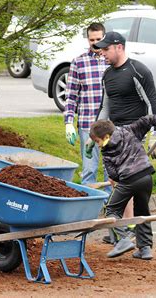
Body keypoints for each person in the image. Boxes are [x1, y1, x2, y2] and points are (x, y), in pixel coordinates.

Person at [90, 31, 156, 245]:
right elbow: (105, 107)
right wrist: (93, 134)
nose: (102, 53)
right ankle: (122, 228)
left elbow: (152, 104)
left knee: (130, 182)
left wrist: (154, 135)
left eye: (105, 49)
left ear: (118, 47)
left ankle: (129, 228)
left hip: (134, 135)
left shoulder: (137, 71)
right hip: (114, 137)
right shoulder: (107, 75)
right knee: (116, 182)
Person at [89, 115, 156, 259]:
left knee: (111, 210)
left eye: (97, 141)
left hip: (128, 180)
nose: (97, 145)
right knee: (142, 211)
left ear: (106, 136)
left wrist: (115, 179)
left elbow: (113, 174)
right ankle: (145, 248)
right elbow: (147, 120)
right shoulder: (129, 130)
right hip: (146, 176)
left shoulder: (106, 151)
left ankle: (123, 240)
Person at [64, 22, 109, 187]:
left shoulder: (111, 61)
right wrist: (68, 122)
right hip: (87, 125)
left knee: (110, 169)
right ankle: (89, 203)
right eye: (92, 40)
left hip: (110, 125)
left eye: (99, 38)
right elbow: (70, 96)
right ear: (87, 40)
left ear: (104, 37)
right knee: (89, 168)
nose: (95, 43)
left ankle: (110, 204)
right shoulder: (78, 62)